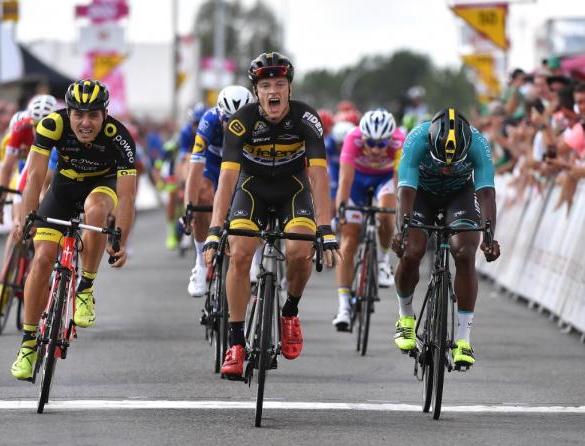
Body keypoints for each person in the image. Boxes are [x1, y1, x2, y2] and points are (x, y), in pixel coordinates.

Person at [203, 52, 340, 377]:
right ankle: (236, 343)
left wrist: (326, 227)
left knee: (300, 250)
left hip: (294, 190)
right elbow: (227, 178)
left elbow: (319, 175)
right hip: (253, 191)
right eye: (266, 85)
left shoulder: (307, 119)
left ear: (289, 89)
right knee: (239, 254)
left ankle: (289, 311)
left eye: (280, 84)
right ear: (257, 91)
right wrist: (213, 228)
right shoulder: (242, 122)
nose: (273, 91)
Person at [10, 80, 137, 380]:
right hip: (63, 189)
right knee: (41, 260)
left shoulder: (119, 137)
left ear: (105, 114)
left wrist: (120, 240)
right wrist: (29, 216)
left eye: (93, 115)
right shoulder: (52, 125)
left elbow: (128, 195)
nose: (85, 122)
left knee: (94, 211)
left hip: (101, 186)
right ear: (68, 112)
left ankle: (85, 288)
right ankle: (28, 344)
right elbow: (36, 174)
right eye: (78, 114)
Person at [392, 108, 500, 368]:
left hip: (459, 195)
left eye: (454, 162)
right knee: (412, 251)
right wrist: (402, 231)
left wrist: (489, 236)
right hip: (420, 194)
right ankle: (405, 317)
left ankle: (463, 339)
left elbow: (486, 193)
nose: (446, 168)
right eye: (441, 162)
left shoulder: (478, 143)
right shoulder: (417, 138)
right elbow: (405, 191)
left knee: (464, 253)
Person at [332, 109, 405, 329]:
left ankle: (383, 262)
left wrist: (399, 212)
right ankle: (344, 306)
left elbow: (400, 180)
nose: (375, 149)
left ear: (390, 140)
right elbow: (344, 180)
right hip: (356, 182)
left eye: (381, 144)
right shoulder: (352, 139)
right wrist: (340, 212)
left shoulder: (400, 142)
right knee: (349, 241)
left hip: (384, 180)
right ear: (363, 137)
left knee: (385, 214)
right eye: (370, 143)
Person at [184, 85, 254, 297]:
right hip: (214, 165)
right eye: (228, 120)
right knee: (203, 197)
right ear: (220, 115)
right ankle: (200, 263)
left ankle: (255, 263)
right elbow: (194, 169)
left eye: (239, 120)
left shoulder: (258, 122)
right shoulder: (208, 121)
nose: (233, 125)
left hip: (243, 166)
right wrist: (189, 207)